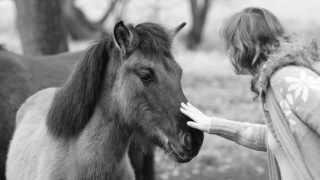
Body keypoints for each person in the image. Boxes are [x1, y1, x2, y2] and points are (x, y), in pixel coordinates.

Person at [180, 7, 320, 180]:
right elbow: (272, 138)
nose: (228, 53)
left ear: (242, 46)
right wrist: (211, 124)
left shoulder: (289, 80)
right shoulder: (274, 82)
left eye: (229, 45)